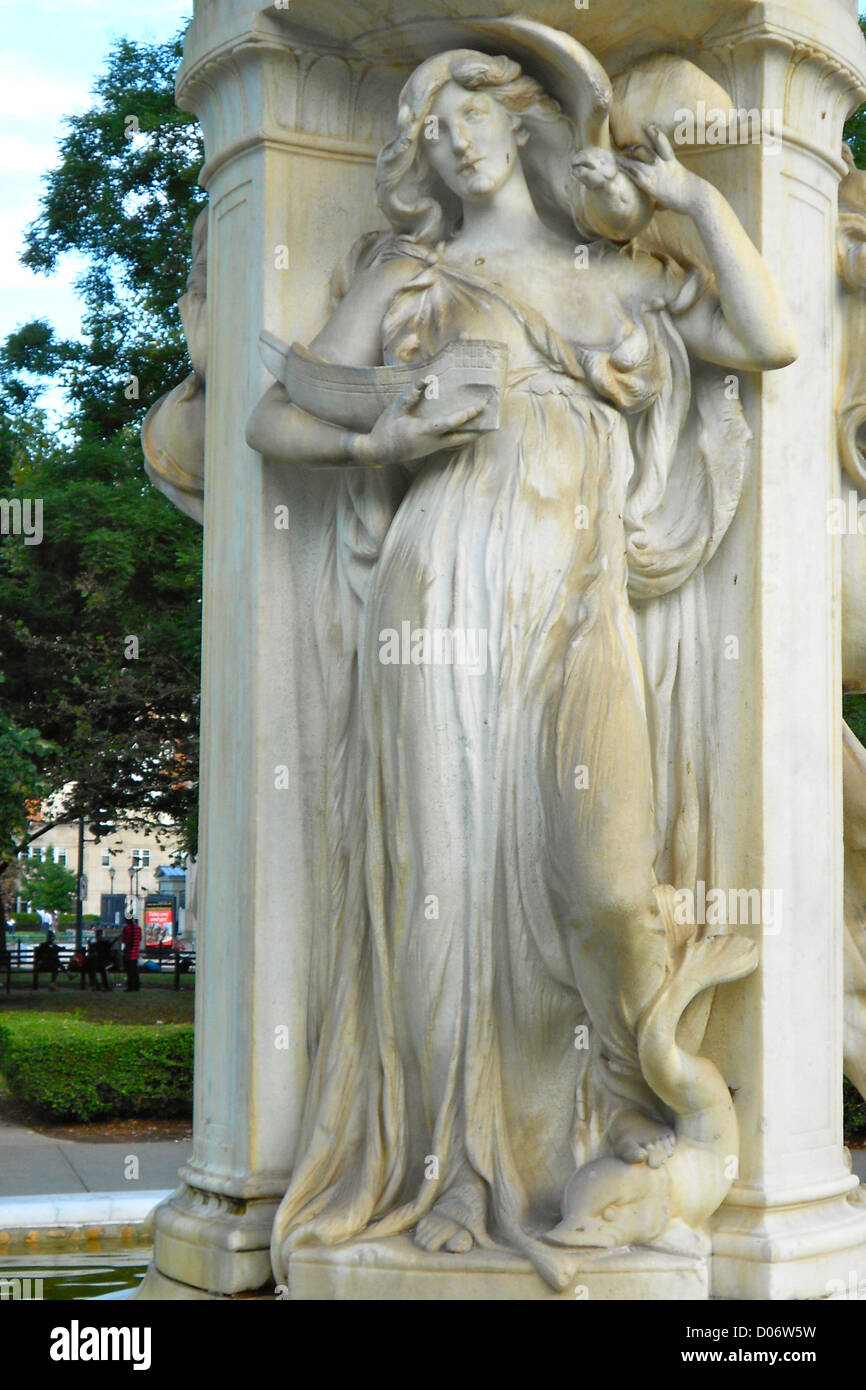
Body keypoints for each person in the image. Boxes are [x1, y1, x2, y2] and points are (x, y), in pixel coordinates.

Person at [249, 41, 796, 1287]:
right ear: (415, 161)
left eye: (467, 113)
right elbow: (278, 414)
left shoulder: (615, 277)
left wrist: (695, 204)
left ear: (516, 119)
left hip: (575, 603)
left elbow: (764, 340)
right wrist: (385, 425)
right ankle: (445, 1177)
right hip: (439, 591)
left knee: (606, 890)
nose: (450, 139)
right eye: (427, 129)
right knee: (436, 880)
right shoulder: (413, 274)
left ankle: (632, 1125)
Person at [86, 928, 113, 992]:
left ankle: (97, 985)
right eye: (98, 935)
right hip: (99, 962)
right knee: (94, 967)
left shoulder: (105, 943)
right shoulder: (96, 944)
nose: (98, 937)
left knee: (99, 967)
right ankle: (98, 985)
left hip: (103, 962)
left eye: (99, 935)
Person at [121, 912, 142, 992]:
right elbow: (140, 938)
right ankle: (136, 986)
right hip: (135, 953)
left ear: (126, 920)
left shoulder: (126, 929)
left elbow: (124, 940)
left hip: (128, 953)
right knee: (135, 971)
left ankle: (130, 987)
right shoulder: (138, 928)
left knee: (129, 971)